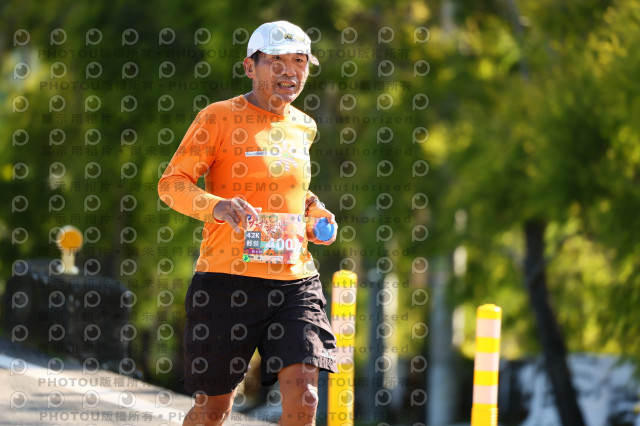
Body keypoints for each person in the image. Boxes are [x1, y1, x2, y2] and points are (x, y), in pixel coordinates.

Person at [157, 20, 338, 426]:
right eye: (276, 61)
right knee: (213, 410)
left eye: (299, 61)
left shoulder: (304, 126)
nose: (289, 71)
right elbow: (172, 184)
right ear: (249, 67)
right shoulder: (218, 117)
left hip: (294, 282)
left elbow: (293, 191)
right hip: (227, 282)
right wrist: (216, 206)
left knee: (306, 398)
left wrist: (314, 213)